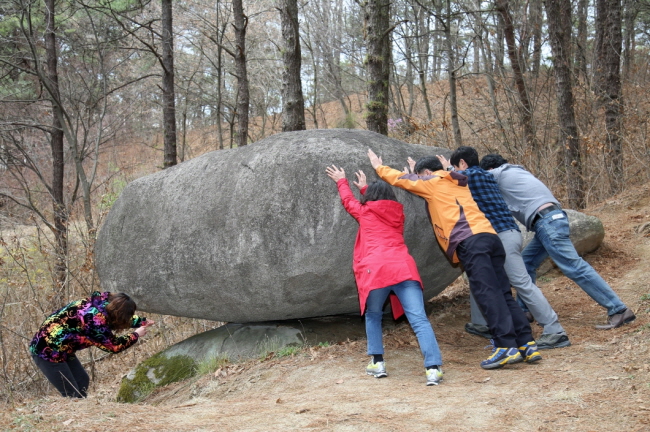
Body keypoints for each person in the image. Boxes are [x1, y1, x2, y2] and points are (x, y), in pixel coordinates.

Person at [368, 150, 541, 370]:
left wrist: (379, 167)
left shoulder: (432, 182)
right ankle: (526, 343)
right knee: (503, 293)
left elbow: (401, 179)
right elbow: (435, 182)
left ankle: (505, 346)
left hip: (470, 241)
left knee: (487, 294)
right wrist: (425, 172)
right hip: (490, 238)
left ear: (427, 173)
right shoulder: (457, 181)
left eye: (421, 176)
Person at [435, 147, 570, 350]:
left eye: (456, 166)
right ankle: (482, 323)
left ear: (462, 163)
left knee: (521, 283)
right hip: (504, 234)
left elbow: (449, 179)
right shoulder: (488, 177)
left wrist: (445, 169)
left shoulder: (473, 175)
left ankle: (555, 330)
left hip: (502, 236)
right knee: (480, 277)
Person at [479, 154, 636, 330]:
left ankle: (618, 309)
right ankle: (525, 310)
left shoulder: (498, 173)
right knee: (526, 262)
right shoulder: (517, 172)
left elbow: (474, 177)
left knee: (575, 267)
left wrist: (454, 169)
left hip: (547, 223)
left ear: (490, 169)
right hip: (552, 220)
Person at [325, 165, 444, 385]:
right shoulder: (399, 214)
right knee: (419, 319)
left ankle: (378, 363)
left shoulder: (365, 211)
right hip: (404, 268)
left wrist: (342, 180)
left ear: (369, 197)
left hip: (376, 270)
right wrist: (366, 188)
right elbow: (382, 207)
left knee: (373, 314)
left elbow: (348, 202)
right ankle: (433, 369)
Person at [30, 291, 153, 398]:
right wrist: (136, 335)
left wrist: (142, 321)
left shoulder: (101, 303)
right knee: (71, 392)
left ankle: (80, 410)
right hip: (46, 352)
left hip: (64, 349)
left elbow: (116, 317)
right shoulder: (94, 320)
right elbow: (113, 346)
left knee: (82, 381)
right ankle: (74, 415)